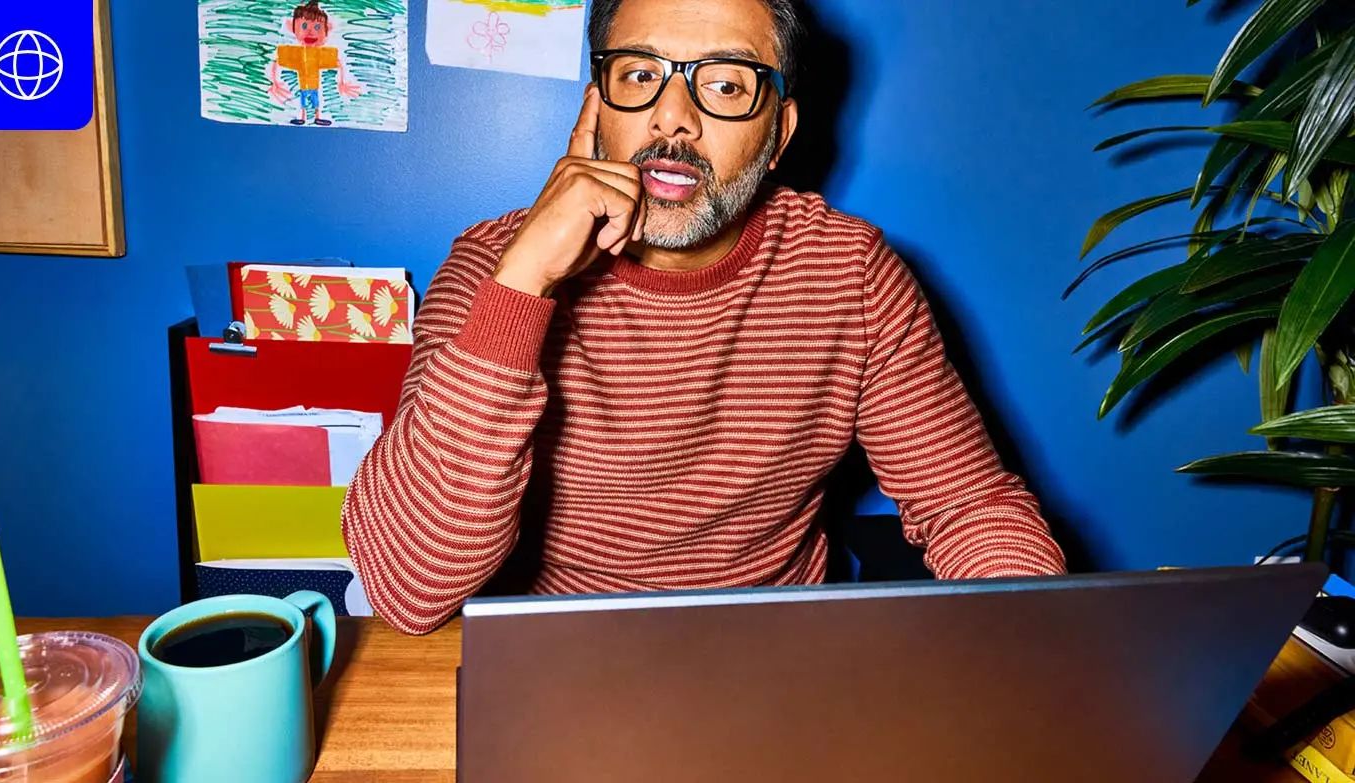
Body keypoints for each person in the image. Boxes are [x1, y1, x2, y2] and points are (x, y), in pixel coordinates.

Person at [342, 0, 1067, 634]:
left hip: (774, 665)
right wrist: (525, 286)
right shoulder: (496, 267)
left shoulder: (851, 273)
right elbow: (411, 587)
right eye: (638, 74)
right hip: (558, 662)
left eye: (724, 84)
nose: (673, 119)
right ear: (596, 106)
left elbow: (969, 506)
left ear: (779, 136)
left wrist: (1036, 657)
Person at [268, 0, 363, 126]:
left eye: (317, 27)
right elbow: (277, 61)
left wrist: (342, 82)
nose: (310, 32)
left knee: (315, 100)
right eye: (304, 26)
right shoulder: (295, 53)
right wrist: (274, 82)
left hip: (314, 85)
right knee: (304, 100)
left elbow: (338, 63)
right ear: (292, 26)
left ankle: (317, 117)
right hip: (303, 86)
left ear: (327, 29)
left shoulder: (322, 54)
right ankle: (302, 117)